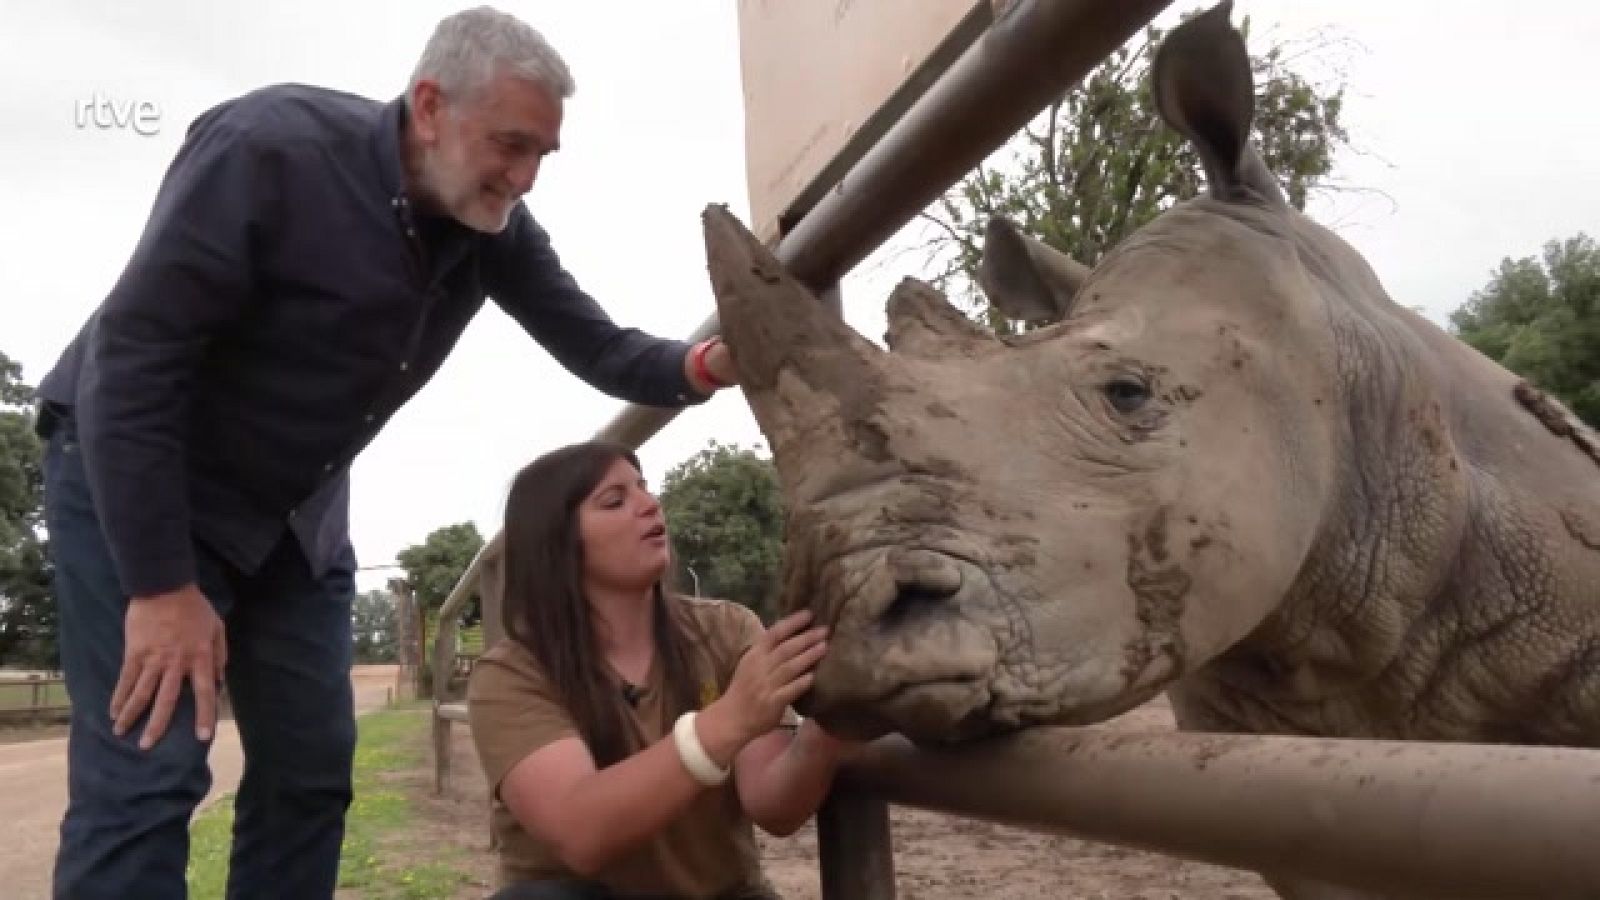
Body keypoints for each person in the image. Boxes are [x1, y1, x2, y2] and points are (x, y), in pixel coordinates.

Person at [33, 7, 738, 899]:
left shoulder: (492, 232)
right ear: (431, 104)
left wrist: (701, 362)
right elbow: (133, 359)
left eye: (541, 158)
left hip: (296, 517)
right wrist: (161, 587)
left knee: (313, 770)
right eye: (509, 145)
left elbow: (592, 342)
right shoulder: (267, 151)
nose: (523, 178)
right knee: (149, 769)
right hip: (140, 483)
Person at [467, 441, 859, 900]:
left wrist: (831, 726)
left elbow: (773, 808)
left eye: (644, 487)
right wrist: (727, 722)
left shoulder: (727, 629)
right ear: (557, 543)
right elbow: (581, 834)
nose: (650, 504)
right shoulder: (512, 674)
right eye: (615, 501)